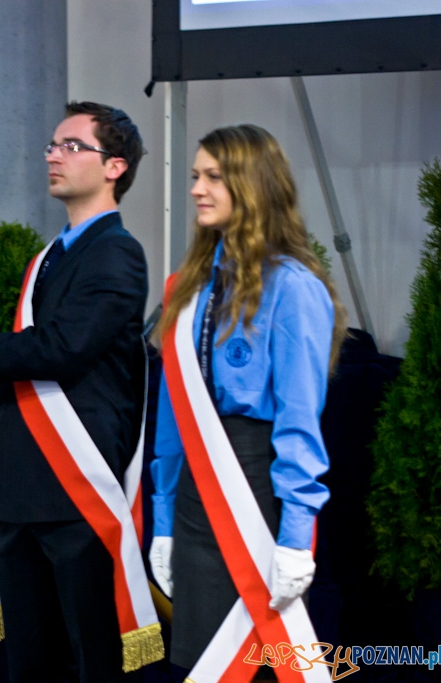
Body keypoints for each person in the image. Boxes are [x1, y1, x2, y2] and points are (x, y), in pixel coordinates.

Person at [0, 102, 162, 682]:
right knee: (30, 658)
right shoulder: (54, 255)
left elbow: (63, 347)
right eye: (52, 144)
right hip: (23, 484)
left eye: (72, 146)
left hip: (73, 488)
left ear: (115, 166)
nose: (52, 155)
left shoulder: (117, 253)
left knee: (88, 656)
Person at [148, 124, 347, 679]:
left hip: (258, 488)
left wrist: (295, 537)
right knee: (196, 660)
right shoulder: (189, 287)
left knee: (253, 661)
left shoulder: (293, 287)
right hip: (194, 491)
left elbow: (299, 422)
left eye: (213, 176)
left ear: (252, 185)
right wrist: (162, 520)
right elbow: (171, 416)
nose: (196, 189)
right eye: (194, 177)